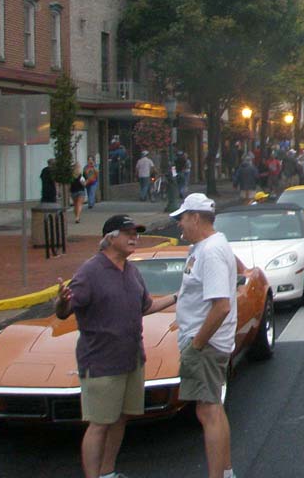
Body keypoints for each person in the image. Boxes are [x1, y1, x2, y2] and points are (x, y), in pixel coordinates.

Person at [55, 214, 176, 478]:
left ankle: (108, 472)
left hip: (132, 359)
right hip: (101, 363)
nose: (135, 238)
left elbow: (147, 307)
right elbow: (65, 311)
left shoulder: (132, 271)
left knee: (121, 418)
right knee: (99, 424)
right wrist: (61, 302)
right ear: (110, 238)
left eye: (137, 233)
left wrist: (178, 295)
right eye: (128, 233)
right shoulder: (90, 271)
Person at [171, 193, 239, 478]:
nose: (180, 225)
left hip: (206, 345)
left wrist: (197, 344)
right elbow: (195, 292)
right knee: (212, 408)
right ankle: (225, 472)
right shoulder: (207, 246)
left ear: (196, 218)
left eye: (183, 218)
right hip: (209, 343)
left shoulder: (210, 251)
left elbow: (220, 306)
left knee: (207, 412)